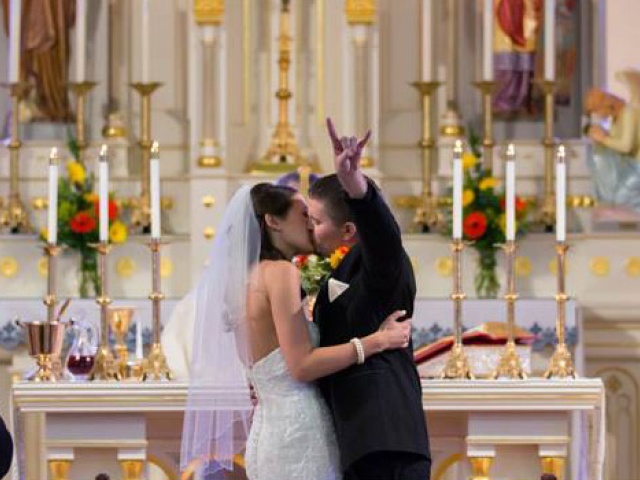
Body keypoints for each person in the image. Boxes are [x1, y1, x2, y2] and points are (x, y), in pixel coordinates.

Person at [180, 182, 412, 479]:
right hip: (299, 432)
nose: (311, 225)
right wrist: (376, 341)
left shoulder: (245, 280)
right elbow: (302, 365)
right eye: (304, 215)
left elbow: (266, 367)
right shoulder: (280, 273)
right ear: (273, 221)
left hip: (267, 431)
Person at [308, 118, 431, 479]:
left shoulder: (380, 263)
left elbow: (383, 235)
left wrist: (353, 184)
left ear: (348, 230)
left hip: (385, 439)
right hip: (360, 439)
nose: (310, 229)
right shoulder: (337, 267)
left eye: (315, 221)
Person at [584, 87, 640, 213]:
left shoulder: (628, 113)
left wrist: (604, 139)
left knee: (622, 199)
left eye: (596, 111)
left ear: (605, 105)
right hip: (629, 166)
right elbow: (616, 142)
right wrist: (603, 135)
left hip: (637, 166)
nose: (597, 115)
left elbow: (626, 146)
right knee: (597, 155)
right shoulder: (615, 118)